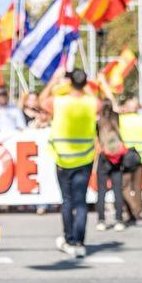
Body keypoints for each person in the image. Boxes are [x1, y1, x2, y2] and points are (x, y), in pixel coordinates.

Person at [50, 68, 98, 257]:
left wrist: (55, 81)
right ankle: (79, 241)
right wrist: (86, 86)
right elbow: (99, 101)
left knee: (68, 200)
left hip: (63, 158)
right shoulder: (92, 103)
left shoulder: (60, 102)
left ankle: (69, 239)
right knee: (81, 202)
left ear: (70, 82)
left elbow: (41, 100)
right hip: (85, 158)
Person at [93, 99, 129, 231]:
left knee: (101, 191)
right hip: (117, 157)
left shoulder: (98, 122)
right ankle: (119, 219)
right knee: (117, 190)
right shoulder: (116, 118)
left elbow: (97, 138)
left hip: (104, 156)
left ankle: (101, 220)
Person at [118, 96, 142, 222]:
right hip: (141, 156)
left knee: (124, 186)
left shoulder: (121, 120)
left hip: (125, 156)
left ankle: (132, 208)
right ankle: (137, 211)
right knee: (137, 187)